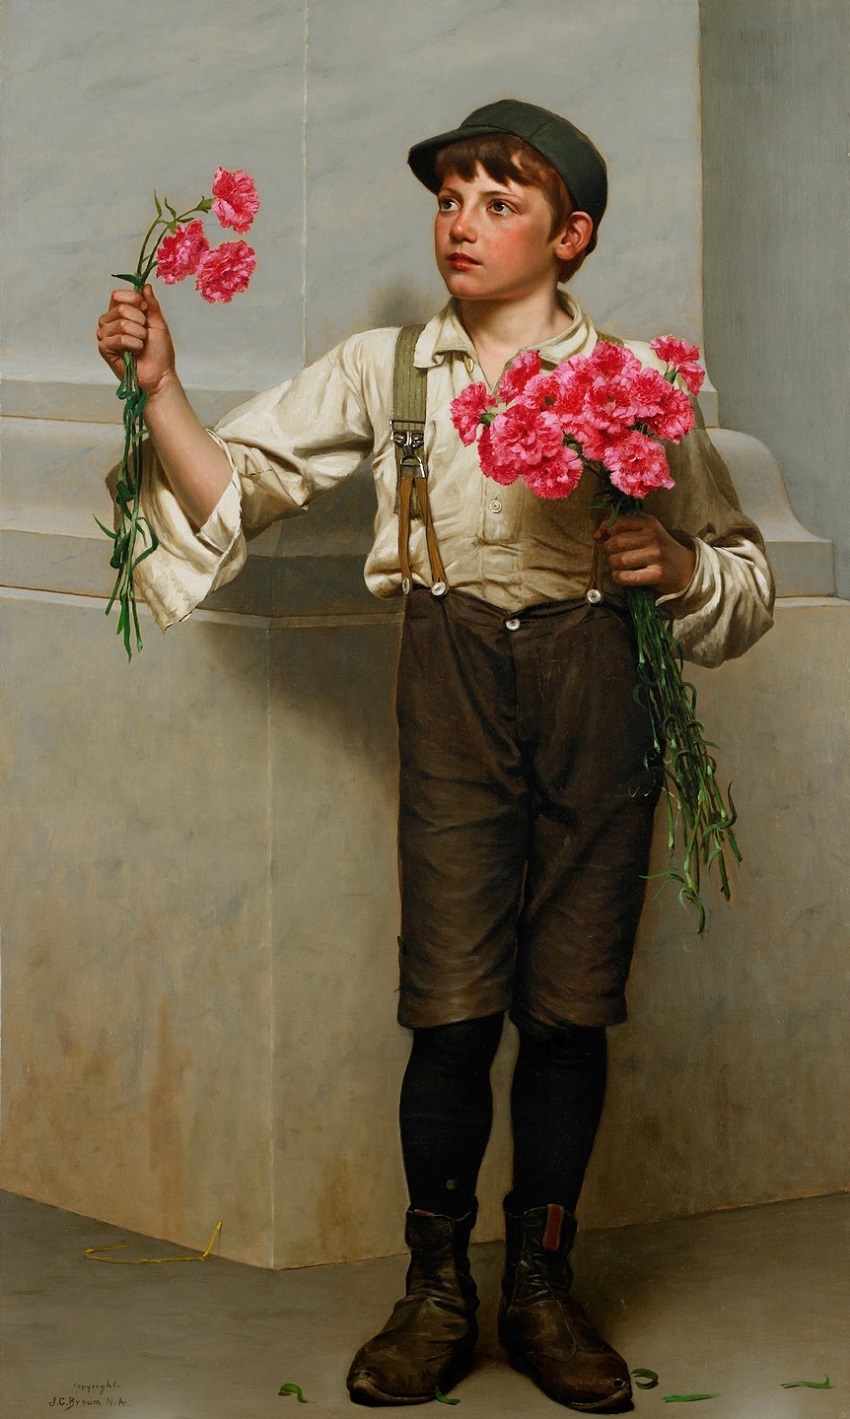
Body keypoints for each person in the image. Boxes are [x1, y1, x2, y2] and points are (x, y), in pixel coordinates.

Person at [96, 99, 775, 1414]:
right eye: (450, 198)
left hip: (598, 694)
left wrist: (682, 563)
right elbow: (231, 489)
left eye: (498, 201)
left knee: (569, 1005)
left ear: (571, 236)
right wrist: (162, 387)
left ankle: (542, 1288)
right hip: (451, 687)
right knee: (451, 1004)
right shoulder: (389, 370)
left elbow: (740, 578)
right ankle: (437, 1290)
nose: (461, 222)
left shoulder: (640, 385)